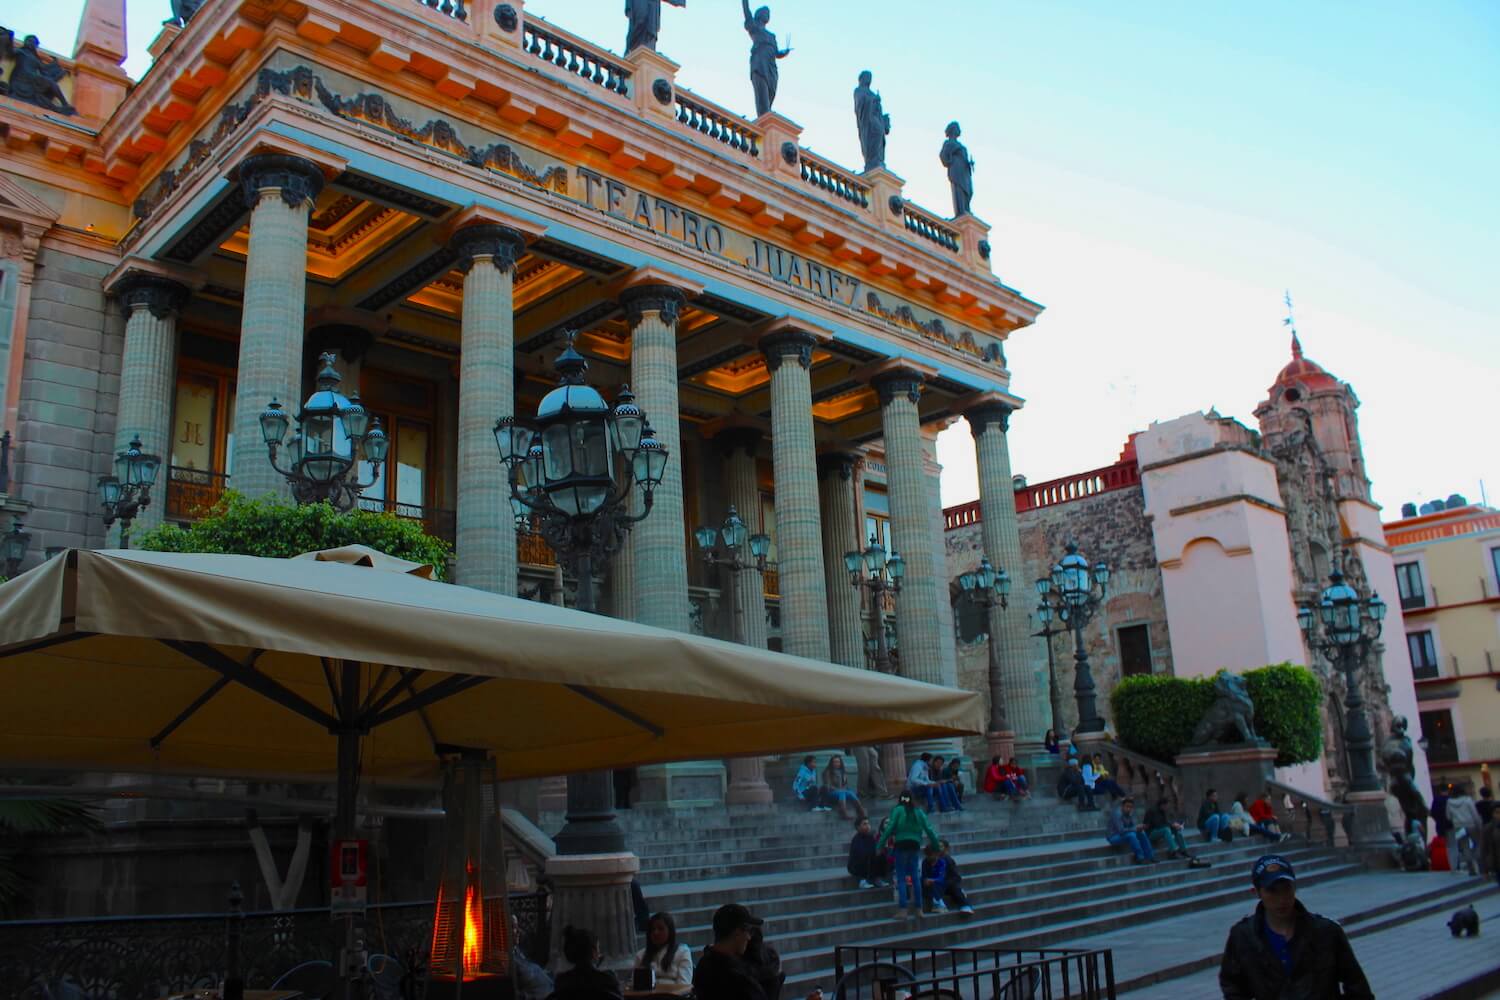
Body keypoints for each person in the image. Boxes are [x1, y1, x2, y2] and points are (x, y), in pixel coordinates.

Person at [1218, 854, 1373, 999]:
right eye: (1272, 891)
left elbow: (1358, 987)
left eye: (1286, 888)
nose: (1282, 899)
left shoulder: (1326, 931)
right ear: (1257, 892)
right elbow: (1233, 987)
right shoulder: (1243, 936)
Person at [692, 903, 823, 1000]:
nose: (749, 937)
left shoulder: (705, 964)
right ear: (737, 933)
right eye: (748, 932)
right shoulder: (734, 977)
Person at [878, 789, 941, 919]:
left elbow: (889, 828)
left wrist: (880, 845)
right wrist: (936, 845)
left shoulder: (898, 810)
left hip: (901, 844)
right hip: (914, 844)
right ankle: (919, 909)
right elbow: (929, 829)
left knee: (901, 878)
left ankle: (903, 910)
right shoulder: (919, 812)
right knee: (915, 878)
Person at [740, 1, 792, 118]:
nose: (767, 14)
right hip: (759, 64)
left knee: (771, 92)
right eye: (765, 12)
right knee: (762, 92)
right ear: (759, 14)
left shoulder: (772, 36)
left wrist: (785, 52)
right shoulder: (754, 27)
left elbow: (777, 53)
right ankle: (764, 118)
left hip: (771, 68)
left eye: (768, 13)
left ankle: (768, 117)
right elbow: (747, 11)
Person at [550, 926, 622, 1000]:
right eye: (598, 949)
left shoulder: (562, 981)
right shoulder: (607, 979)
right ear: (593, 952)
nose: (599, 953)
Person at [634, 911, 693, 987]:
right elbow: (635, 985)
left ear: (670, 931)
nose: (656, 932)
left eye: (660, 929)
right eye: (652, 929)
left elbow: (684, 985)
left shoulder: (682, 952)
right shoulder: (640, 955)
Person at [511, 913, 554, 1000]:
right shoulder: (508, 959)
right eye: (514, 927)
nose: (519, 931)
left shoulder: (519, 951)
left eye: (517, 926)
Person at [1105, 796, 1156, 865]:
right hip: (1113, 836)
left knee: (1141, 833)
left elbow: (1133, 826)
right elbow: (1121, 830)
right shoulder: (1117, 814)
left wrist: (1139, 827)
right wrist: (1135, 829)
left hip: (1125, 834)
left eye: (1131, 807)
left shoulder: (1129, 814)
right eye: (1127, 806)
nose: (1129, 809)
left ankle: (1150, 856)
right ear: (1122, 806)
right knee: (1132, 835)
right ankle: (1140, 857)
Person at [1445, 782, 1482, 876]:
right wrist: (1479, 825)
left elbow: (1448, 816)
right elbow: (1474, 813)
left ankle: (1471, 868)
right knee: (1477, 844)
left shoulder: (1449, 802)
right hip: (1471, 825)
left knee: (1465, 847)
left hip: (1458, 827)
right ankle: (1480, 865)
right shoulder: (1468, 800)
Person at [846, 817, 890, 889]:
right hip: (855, 866)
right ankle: (862, 881)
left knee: (881, 854)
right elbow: (861, 853)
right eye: (864, 824)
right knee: (864, 856)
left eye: (868, 823)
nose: (867, 826)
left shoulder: (870, 837)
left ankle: (877, 879)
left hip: (869, 864)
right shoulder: (856, 839)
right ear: (858, 827)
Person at [820, 754, 866, 821]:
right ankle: (843, 813)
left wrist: (844, 788)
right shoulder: (827, 772)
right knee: (842, 793)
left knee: (850, 793)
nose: (837, 763)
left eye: (838, 762)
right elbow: (827, 785)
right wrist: (839, 790)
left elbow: (845, 784)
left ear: (840, 763)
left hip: (841, 792)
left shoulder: (842, 772)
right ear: (831, 763)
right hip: (830, 793)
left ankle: (861, 812)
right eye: (835, 762)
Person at [1481, 808, 1500, 887]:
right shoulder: (1488, 829)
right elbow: (1484, 850)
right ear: (1493, 814)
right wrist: (1485, 870)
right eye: (1497, 813)